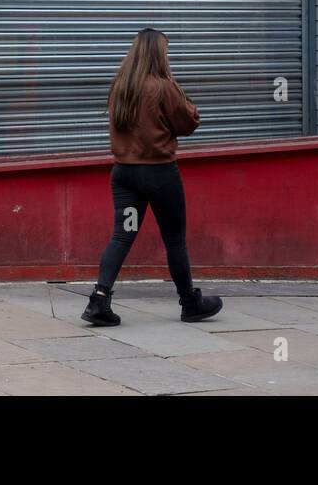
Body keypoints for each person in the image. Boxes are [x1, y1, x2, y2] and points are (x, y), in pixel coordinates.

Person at [82, 28, 223, 327]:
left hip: (124, 175)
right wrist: (185, 100)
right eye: (166, 51)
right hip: (159, 175)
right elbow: (187, 123)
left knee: (122, 236)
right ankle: (190, 304)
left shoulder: (121, 85)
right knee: (174, 240)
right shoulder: (162, 86)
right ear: (159, 54)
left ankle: (99, 299)